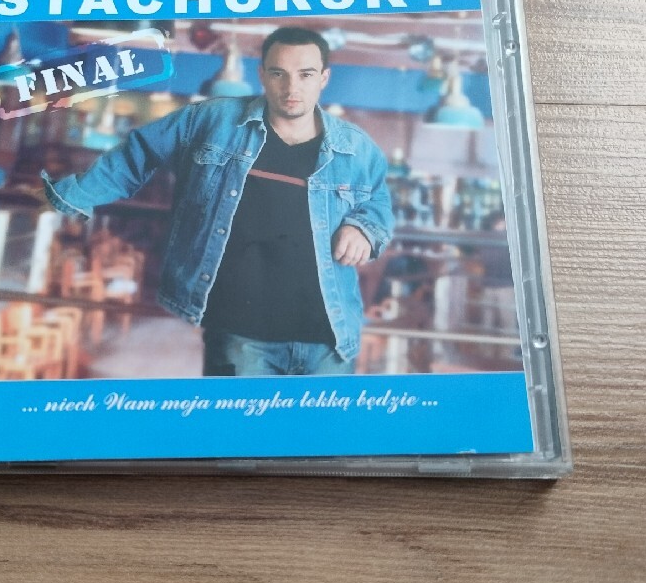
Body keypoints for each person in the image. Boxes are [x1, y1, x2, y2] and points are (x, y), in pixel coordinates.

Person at [42, 25, 394, 376]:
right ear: (262, 75)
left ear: (323, 78)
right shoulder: (212, 119)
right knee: (235, 414)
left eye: (305, 74)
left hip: (329, 336)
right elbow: (140, 152)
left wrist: (362, 227)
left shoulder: (356, 147)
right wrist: (72, 196)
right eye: (278, 73)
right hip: (241, 333)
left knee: (326, 417)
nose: (291, 87)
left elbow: (378, 201)